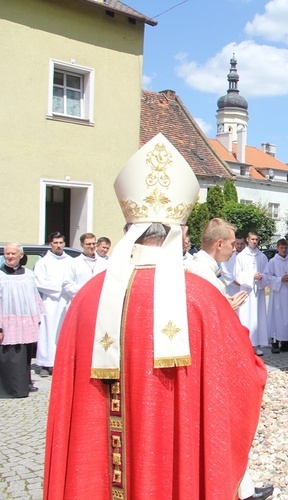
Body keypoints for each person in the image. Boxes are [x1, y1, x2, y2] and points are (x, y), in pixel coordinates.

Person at [44, 133, 269, 500]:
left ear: (129, 232)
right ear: (178, 234)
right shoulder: (200, 297)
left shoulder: (87, 296)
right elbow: (248, 375)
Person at [0, 243, 44, 398]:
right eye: (7, 254)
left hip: (25, 321)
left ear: (21, 255)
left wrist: (37, 318)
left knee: (24, 354)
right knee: (8, 355)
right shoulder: (1, 275)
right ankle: (7, 389)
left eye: (13, 253)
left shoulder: (29, 274)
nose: (10, 256)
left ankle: (23, 386)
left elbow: (34, 298)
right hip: (6, 321)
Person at [185, 218, 248, 311]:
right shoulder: (205, 275)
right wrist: (228, 308)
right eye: (232, 244)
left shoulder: (196, 265)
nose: (234, 249)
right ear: (219, 244)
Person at [34, 232, 73, 377]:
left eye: (61, 242)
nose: (59, 245)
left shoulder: (70, 261)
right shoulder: (43, 262)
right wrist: (59, 289)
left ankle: (60, 362)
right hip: (50, 301)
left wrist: (68, 290)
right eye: (56, 243)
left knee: (62, 332)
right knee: (48, 332)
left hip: (66, 301)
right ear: (50, 244)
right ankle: (45, 363)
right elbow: (39, 282)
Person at [234, 232, 270, 357]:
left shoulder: (262, 256)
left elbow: (268, 273)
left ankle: (256, 345)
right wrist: (251, 276)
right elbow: (237, 275)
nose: (254, 241)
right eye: (252, 239)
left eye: (256, 239)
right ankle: (245, 345)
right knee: (246, 317)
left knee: (257, 317)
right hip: (246, 291)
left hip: (258, 292)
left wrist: (262, 277)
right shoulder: (241, 256)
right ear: (247, 239)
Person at [266, 239, 288, 353]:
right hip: (278, 294)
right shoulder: (272, 262)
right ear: (277, 248)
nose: (284, 250)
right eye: (281, 247)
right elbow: (268, 277)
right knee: (277, 318)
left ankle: (286, 343)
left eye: (285, 247)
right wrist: (280, 279)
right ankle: (275, 343)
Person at [63, 233, 108, 299]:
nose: (92, 246)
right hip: (81, 300)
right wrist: (87, 289)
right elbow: (67, 285)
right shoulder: (73, 263)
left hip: (99, 300)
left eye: (93, 243)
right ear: (82, 245)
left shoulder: (104, 263)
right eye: (88, 244)